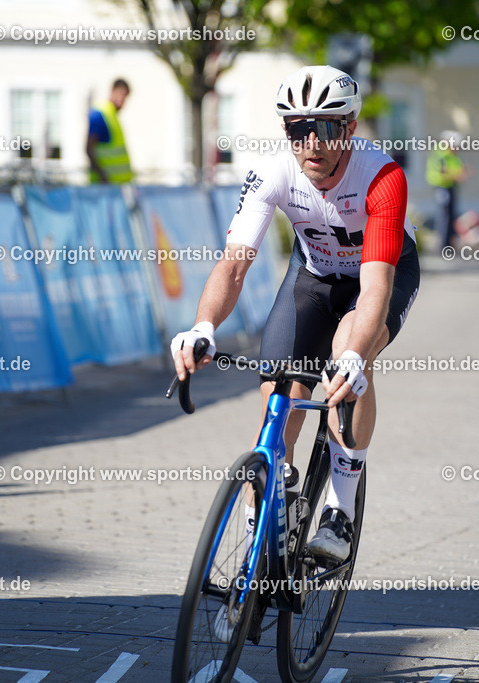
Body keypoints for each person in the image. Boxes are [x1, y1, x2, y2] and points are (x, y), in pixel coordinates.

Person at [170, 65, 420, 564]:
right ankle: (254, 562)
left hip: (377, 279)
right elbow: (233, 265)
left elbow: (374, 286)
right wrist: (203, 327)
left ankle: (340, 509)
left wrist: (355, 355)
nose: (311, 143)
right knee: (277, 406)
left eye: (325, 128)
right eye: (296, 129)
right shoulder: (273, 172)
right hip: (311, 278)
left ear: (350, 127)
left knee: (347, 358)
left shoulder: (382, 176)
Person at [426, 130, 469, 247]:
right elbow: (442, 172)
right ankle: (443, 244)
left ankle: (449, 242)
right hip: (442, 187)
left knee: (451, 215)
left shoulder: (452, 156)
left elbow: (457, 168)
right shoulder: (441, 155)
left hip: (451, 187)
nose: (457, 148)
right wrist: (457, 175)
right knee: (444, 216)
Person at [86, 79, 133, 184]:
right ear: (113, 91)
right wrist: (103, 177)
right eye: (121, 94)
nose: (123, 100)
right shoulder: (100, 114)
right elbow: (89, 149)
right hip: (105, 187)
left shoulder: (113, 116)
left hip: (118, 186)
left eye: (125, 96)